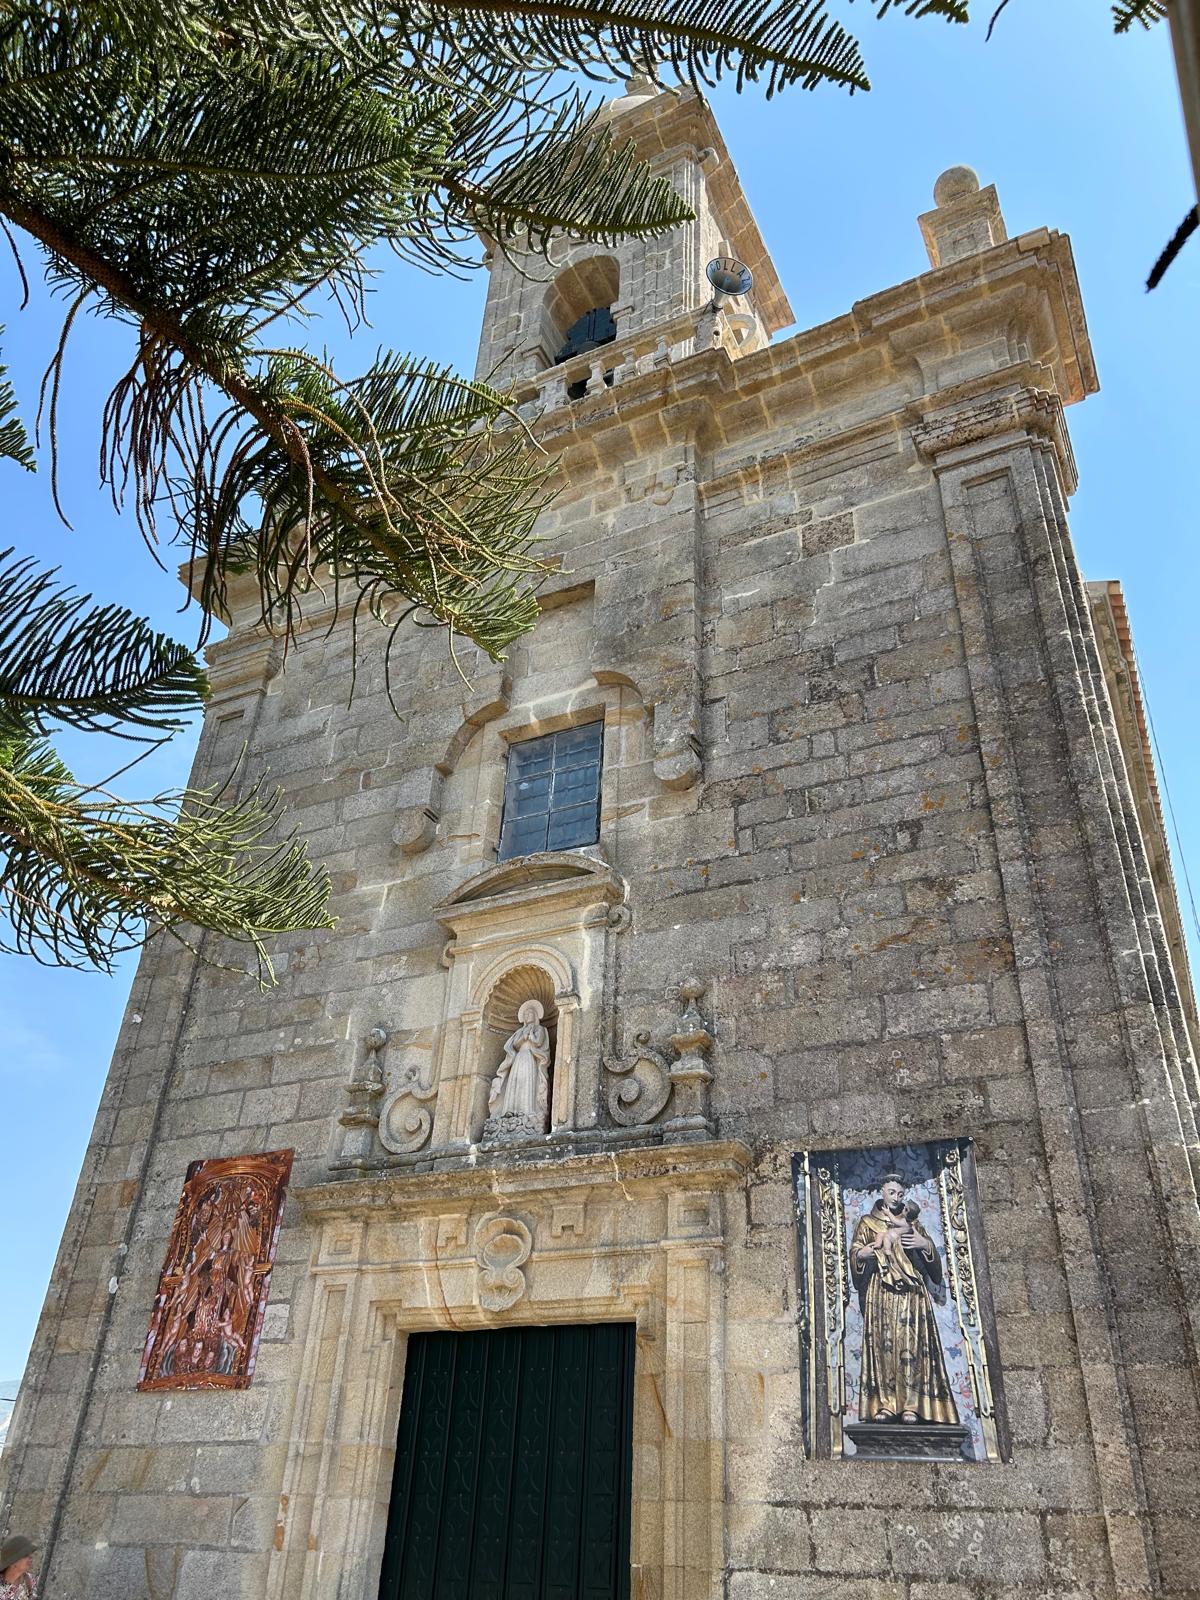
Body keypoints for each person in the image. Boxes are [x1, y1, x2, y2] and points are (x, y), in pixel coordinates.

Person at [849, 1174, 959, 1426]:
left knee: (912, 1345)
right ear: (882, 1192)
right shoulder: (868, 1223)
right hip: (881, 1292)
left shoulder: (912, 1222)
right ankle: (886, 1404)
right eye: (891, 1192)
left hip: (912, 1293)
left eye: (899, 1193)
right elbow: (855, 1256)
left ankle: (912, 1404)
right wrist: (867, 1251)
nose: (895, 1197)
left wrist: (924, 1244)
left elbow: (934, 1270)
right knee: (883, 1346)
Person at [488, 1000, 551, 1131]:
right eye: (526, 1014)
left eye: (530, 1014)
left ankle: (528, 1111)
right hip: (518, 1059)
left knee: (528, 1084)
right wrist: (524, 1037)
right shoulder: (519, 1031)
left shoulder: (541, 1029)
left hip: (530, 1059)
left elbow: (539, 1042)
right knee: (515, 1083)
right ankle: (510, 1111)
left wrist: (531, 1036)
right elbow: (515, 1045)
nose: (528, 1016)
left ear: (536, 1016)